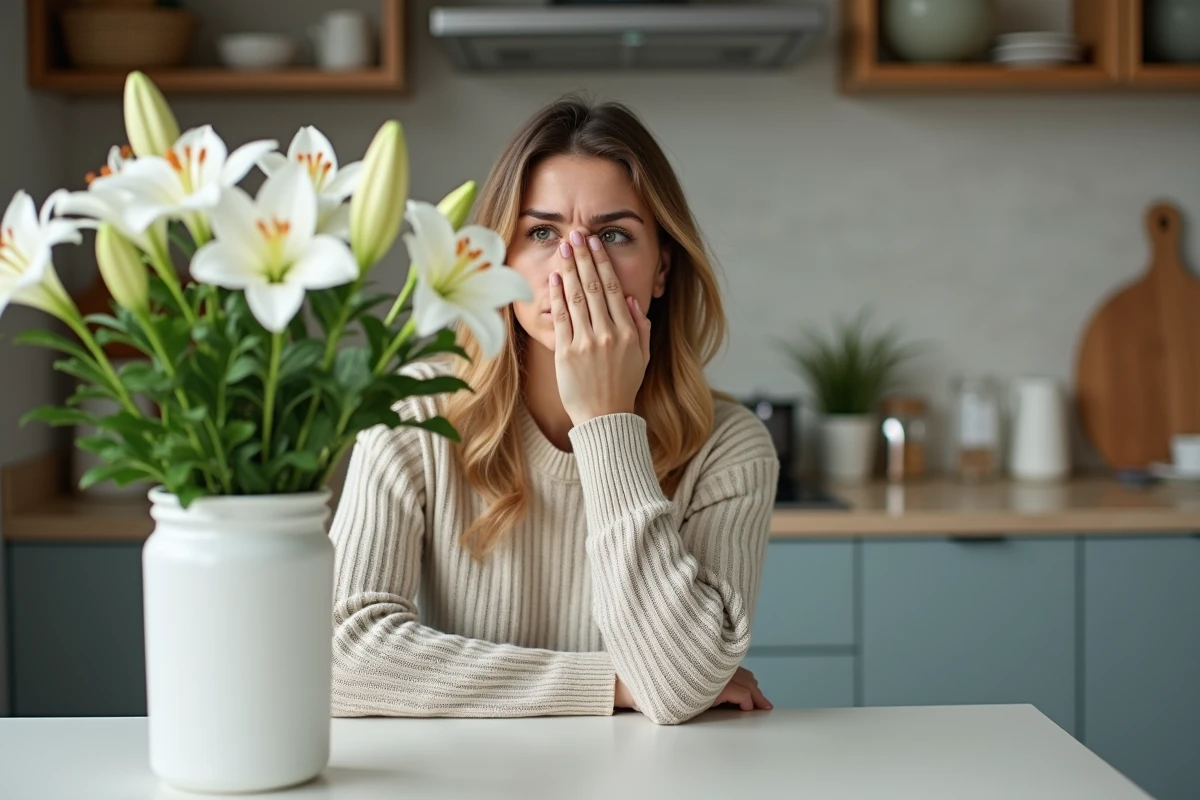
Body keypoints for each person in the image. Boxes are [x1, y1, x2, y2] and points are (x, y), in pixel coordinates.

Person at [329, 97, 780, 726]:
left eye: (614, 235)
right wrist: (614, 684)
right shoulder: (414, 413)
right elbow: (340, 657)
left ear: (661, 269)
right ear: (500, 261)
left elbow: (677, 690)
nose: (575, 266)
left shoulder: (730, 447)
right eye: (542, 233)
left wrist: (605, 422)